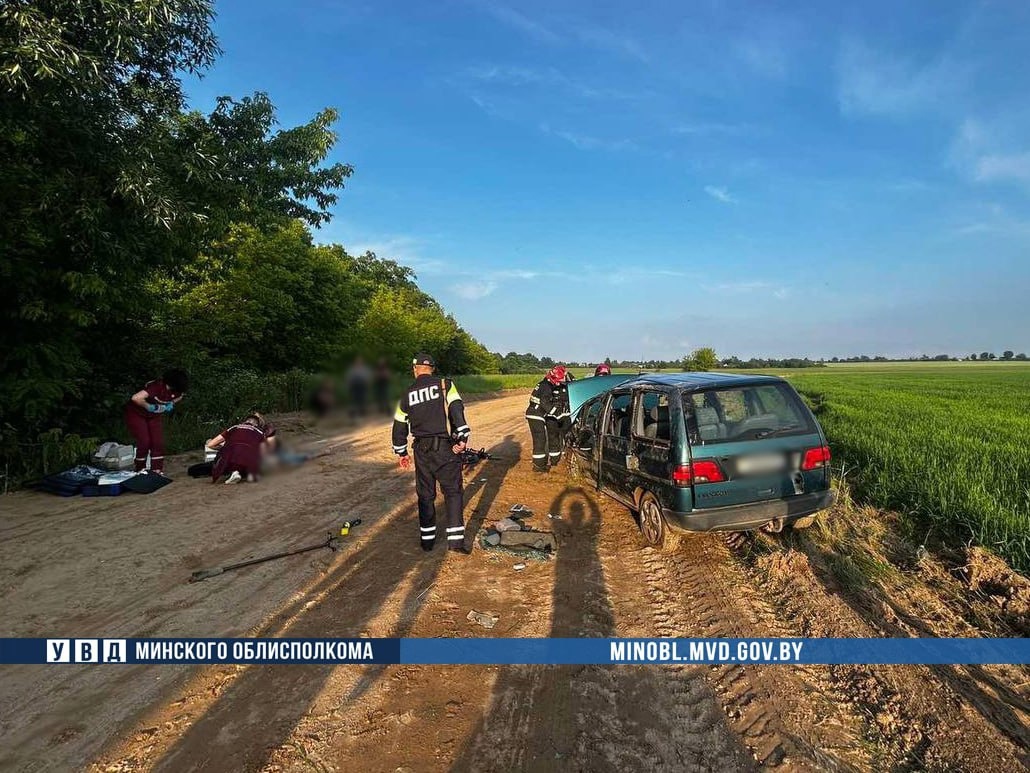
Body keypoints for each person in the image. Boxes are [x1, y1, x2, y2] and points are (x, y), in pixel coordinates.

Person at [392, 352, 472, 554]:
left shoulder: (407, 393)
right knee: (453, 492)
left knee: (425, 495)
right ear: (432, 369)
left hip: (420, 450)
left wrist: (401, 452)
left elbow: (399, 424)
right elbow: (456, 409)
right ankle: (455, 543)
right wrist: (462, 438)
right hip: (444, 448)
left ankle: (427, 542)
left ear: (415, 369)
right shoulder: (445, 385)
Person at [124, 369, 189, 474]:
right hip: (137, 413)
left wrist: (170, 403)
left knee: (157, 442)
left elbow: (179, 397)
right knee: (144, 441)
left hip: (154, 415)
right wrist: (148, 406)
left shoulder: (177, 391)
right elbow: (136, 398)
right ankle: (140, 468)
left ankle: (157, 469)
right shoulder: (156, 387)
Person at [206, 413, 277, 484]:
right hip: (250, 464)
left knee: (226, 453)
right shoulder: (261, 433)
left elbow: (210, 444)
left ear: (244, 421)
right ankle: (241, 472)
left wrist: (223, 447)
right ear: (257, 424)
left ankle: (235, 472)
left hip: (230, 460)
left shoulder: (234, 427)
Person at [525, 365, 569, 472]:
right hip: (536, 414)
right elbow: (545, 403)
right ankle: (539, 467)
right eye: (558, 380)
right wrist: (557, 414)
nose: (559, 382)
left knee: (541, 439)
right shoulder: (547, 386)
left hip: (535, 413)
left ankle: (541, 465)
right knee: (540, 440)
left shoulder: (543, 383)